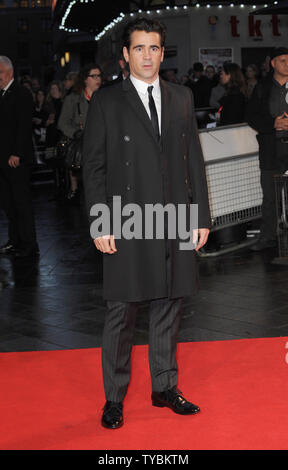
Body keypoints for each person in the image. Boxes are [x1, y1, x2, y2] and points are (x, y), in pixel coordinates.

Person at [82, 18, 210, 430]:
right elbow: (94, 167)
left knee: (170, 304)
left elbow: (194, 162)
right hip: (126, 218)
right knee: (122, 310)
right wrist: (100, 222)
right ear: (125, 54)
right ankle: (114, 398)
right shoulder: (106, 101)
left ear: (162, 52)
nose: (148, 56)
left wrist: (200, 216)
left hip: (173, 217)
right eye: (139, 48)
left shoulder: (182, 97)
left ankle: (164, 387)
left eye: (154, 48)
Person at [246, 47, 288, 251]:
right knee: (270, 196)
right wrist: (273, 124)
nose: (287, 64)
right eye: (282, 60)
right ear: (273, 63)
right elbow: (252, 116)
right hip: (271, 148)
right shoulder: (262, 87)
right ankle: (268, 236)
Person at [0, 56, 39, 258]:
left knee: (22, 203)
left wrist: (17, 153)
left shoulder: (21, 93)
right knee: (8, 203)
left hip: (17, 159)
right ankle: (14, 241)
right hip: (2, 160)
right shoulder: (2, 94)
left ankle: (29, 244)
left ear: (10, 72)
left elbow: (24, 127)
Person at [58, 63, 102, 202]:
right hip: (84, 147)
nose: (97, 79)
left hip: (102, 146)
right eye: (93, 76)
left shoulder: (105, 96)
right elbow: (62, 123)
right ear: (85, 79)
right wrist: (76, 132)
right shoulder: (73, 99)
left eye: (99, 76)